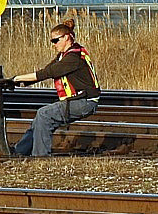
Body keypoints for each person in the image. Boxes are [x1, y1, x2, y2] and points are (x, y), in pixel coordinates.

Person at [11, 19, 101, 156]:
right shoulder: (63, 56)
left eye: (55, 40)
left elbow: (48, 73)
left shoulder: (73, 58)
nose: (53, 45)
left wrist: (17, 78)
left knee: (44, 115)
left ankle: (40, 157)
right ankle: (20, 152)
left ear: (66, 37)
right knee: (39, 120)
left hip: (85, 102)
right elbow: (47, 70)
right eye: (52, 41)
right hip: (77, 100)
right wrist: (19, 82)